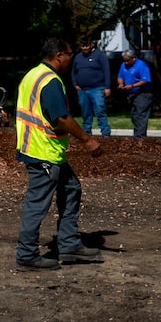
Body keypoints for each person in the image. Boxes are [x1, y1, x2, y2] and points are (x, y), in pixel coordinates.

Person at [15, 38, 104, 271]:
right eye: (70, 55)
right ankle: (26, 255)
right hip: (43, 152)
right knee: (37, 204)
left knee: (71, 188)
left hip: (43, 149)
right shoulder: (50, 81)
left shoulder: (32, 74)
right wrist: (88, 140)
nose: (71, 59)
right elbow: (61, 118)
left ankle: (69, 244)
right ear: (58, 56)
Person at [72, 37, 112, 137]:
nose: (85, 48)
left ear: (91, 45)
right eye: (82, 46)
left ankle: (105, 133)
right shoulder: (78, 57)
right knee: (85, 112)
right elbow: (74, 72)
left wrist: (107, 87)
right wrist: (75, 84)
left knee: (100, 110)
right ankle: (86, 132)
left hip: (97, 87)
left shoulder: (100, 56)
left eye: (86, 46)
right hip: (82, 89)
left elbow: (106, 71)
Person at [117, 49, 153, 138]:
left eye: (127, 60)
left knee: (141, 114)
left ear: (133, 58)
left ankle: (140, 137)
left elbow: (145, 80)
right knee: (134, 115)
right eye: (124, 60)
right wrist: (121, 84)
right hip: (131, 93)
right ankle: (137, 134)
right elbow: (120, 76)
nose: (126, 62)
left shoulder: (142, 66)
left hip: (143, 93)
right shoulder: (124, 65)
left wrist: (132, 86)